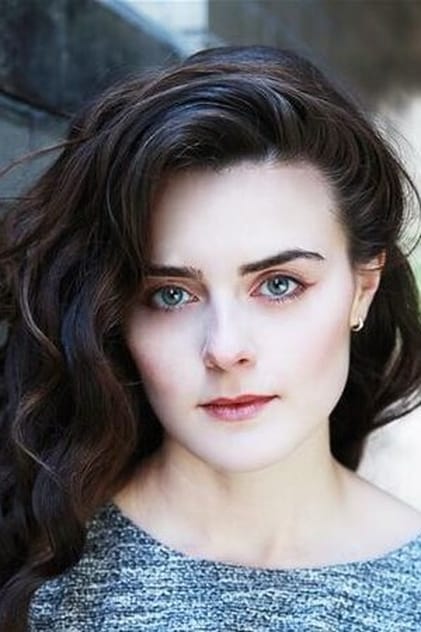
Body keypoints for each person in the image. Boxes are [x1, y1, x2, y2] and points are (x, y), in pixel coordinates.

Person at [0, 45, 421, 632]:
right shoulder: (36, 577)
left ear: (362, 289)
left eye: (279, 284)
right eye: (171, 295)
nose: (224, 349)